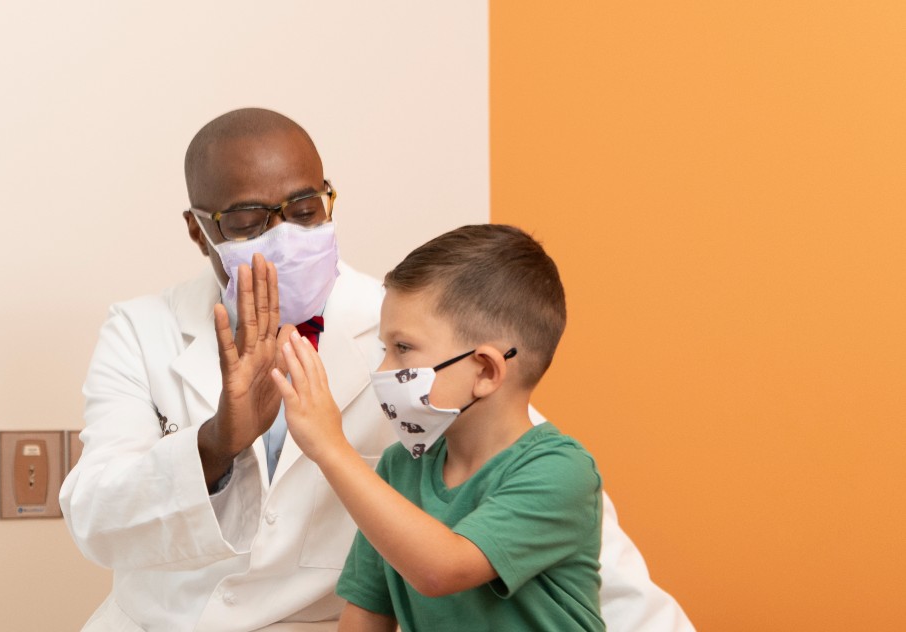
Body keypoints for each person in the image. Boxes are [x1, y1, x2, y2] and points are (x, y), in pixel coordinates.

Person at [60, 108, 695, 631]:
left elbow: (528, 480)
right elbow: (93, 520)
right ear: (200, 232)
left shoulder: (414, 331)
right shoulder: (140, 331)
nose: (284, 236)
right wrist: (215, 444)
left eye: (305, 209)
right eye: (249, 221)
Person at [273, 224, 602, 631]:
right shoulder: (400, 468)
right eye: (384, 349)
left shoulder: (560, 470)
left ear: (485, 370)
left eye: (403, 348)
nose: (383, 370)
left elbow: (441, 569)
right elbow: (365, 617)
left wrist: (330, 447)